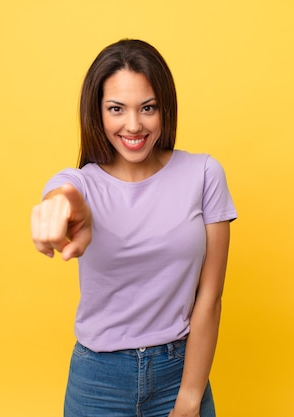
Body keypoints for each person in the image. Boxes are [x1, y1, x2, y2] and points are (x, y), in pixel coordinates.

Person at [31, 39, 237, 417]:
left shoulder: (204, 174)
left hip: (180, 372)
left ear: (164, 109)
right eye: (116, 109)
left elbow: (209, 297)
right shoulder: (82, 184)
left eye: (148, 108)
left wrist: (190, 398)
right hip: (98, 379)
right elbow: (63, 196)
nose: (133, 125)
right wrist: (59, 206)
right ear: (98, 113)